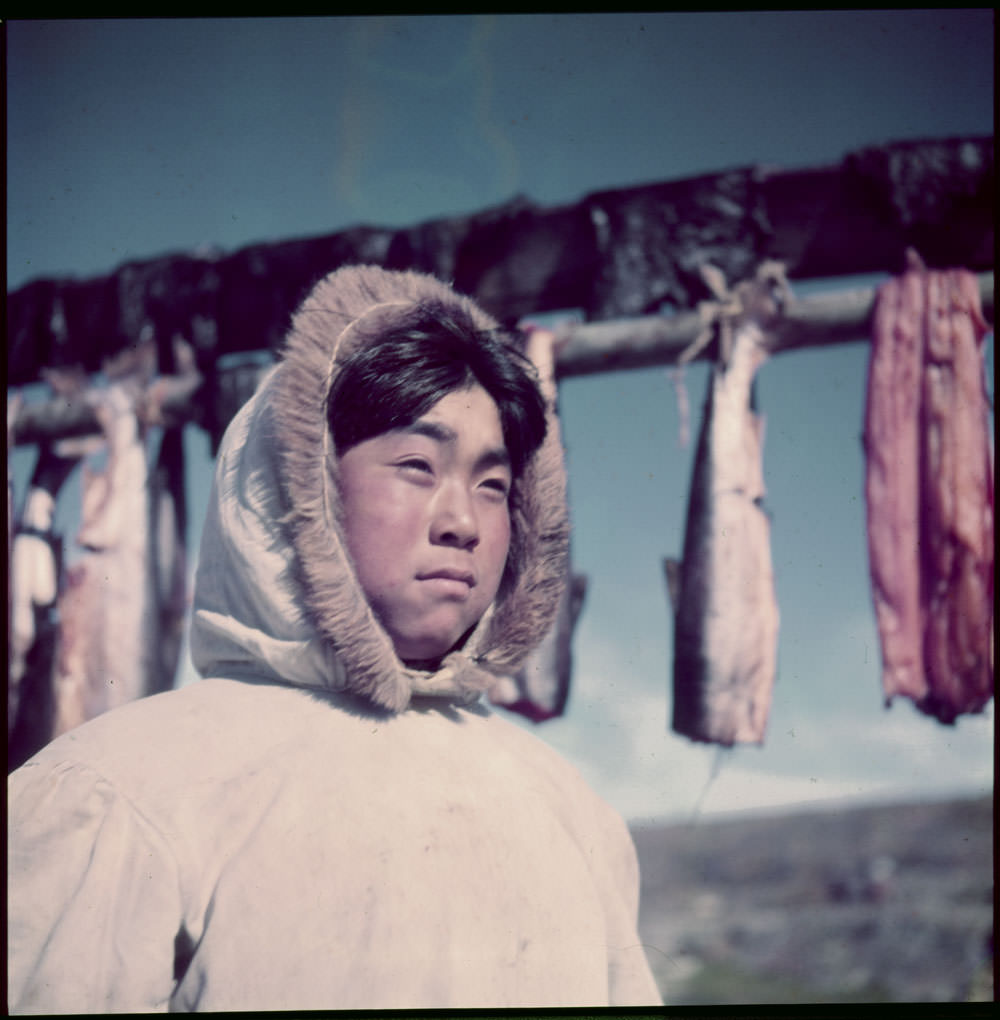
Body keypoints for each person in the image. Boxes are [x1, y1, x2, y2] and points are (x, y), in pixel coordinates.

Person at [7, 265, 662, 1012]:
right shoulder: (115, 800)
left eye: (493, 484)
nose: (464, 521)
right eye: (417, 466)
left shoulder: (572, 812)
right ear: (298, 486)